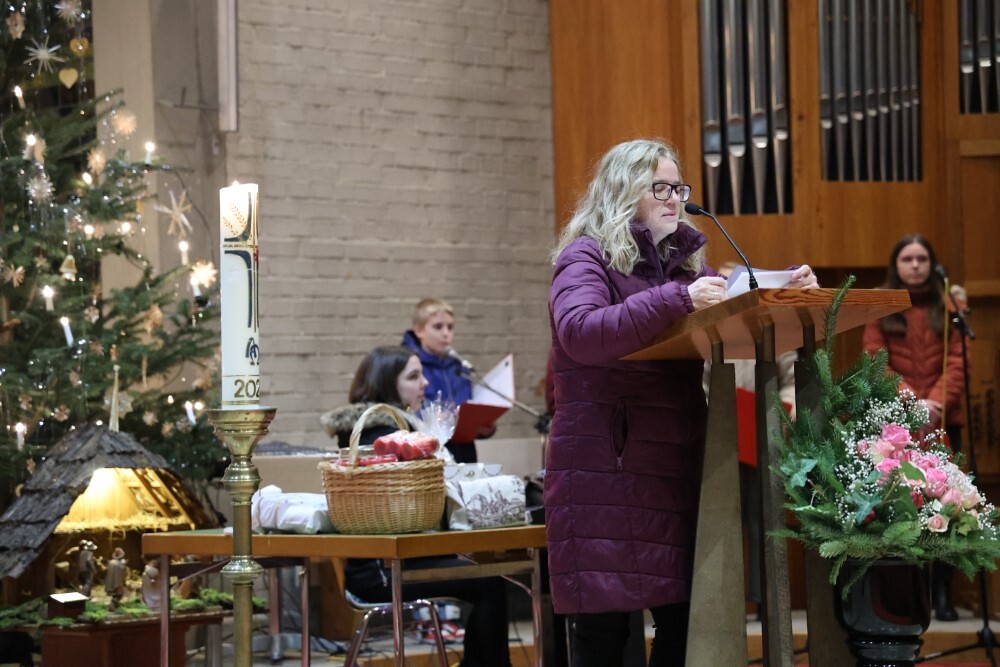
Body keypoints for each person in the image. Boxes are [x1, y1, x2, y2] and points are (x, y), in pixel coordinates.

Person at [546, 138, 817, 665]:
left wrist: (788, 285)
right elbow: (580, 330)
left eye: (679, 188)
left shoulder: (681, 269)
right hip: (607, 467)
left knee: (687, 623)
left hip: (676, 465)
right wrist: (678, 298)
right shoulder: (586, 256)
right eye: (661, 188)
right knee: (604, 631)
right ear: (622, 190)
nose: (675, 199)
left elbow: (740, 293)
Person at [321, 346, 512, 666]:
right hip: (382, 569)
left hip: (398, 558)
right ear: (385, 383)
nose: (425, 383)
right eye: (413, 376)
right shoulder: (381, 436)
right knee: (490, 582)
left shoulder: (397, 430)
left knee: (489, 577)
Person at [862, 233, 969, 622]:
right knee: (906, 507)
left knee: (950, 506)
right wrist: (914, 403)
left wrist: (935, 404)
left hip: (943, 420)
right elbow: (875, 359)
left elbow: (958, 361)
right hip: (900, 424)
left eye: (922, 258)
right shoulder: (882, 305)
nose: (915, 265)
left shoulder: (949, 306)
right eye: (907, 259)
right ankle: (909, 594)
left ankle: (942, 593)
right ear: (896, 265)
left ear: (931, 263)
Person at [402, 298, 494, 463]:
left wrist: (482, 427)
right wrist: (437, 421)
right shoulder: (408, 365)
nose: (446, 333)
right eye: (438, 327)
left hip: (464, 451)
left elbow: (467, 410)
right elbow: (403, 411)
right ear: (419, 330)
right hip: (427, 454)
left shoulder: (459, 367)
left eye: (450, 327)